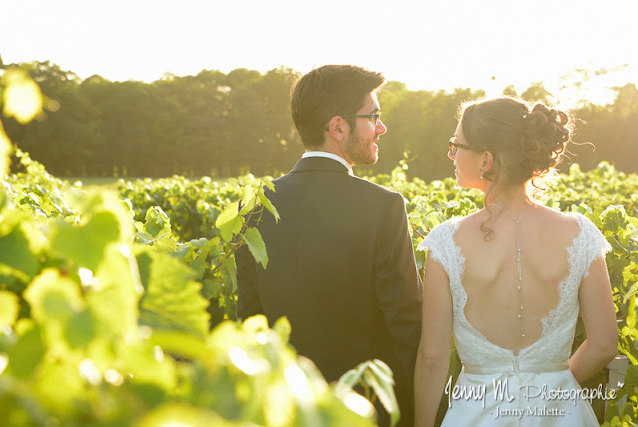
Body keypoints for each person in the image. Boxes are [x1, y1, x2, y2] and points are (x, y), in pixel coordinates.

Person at [235, 65, 422, 426]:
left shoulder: (254, 206)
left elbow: (251, 321)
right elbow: (406, 324)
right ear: (337, 127)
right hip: (363, 410)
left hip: (283, 409)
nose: (381, 127)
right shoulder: (384, 206)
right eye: (374, 117)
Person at [414, 97, 618, 426]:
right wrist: (553, 384)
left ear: (486, 160)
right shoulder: (581, 234)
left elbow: (433, 358)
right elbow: (604, 344)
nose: (451, 153)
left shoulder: (446, 242)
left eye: (457, 145)